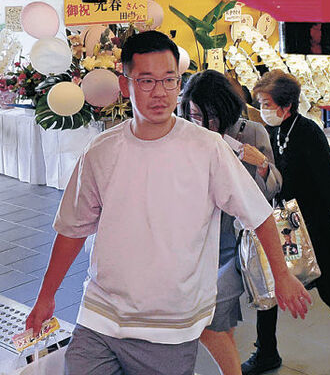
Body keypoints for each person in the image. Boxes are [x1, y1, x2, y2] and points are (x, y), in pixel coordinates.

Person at [26, 31, 311, 375]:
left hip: (170, 324)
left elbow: (258, 214)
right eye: (146, 81)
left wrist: (282, 276)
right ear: (125, 83)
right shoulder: (101, 151)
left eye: (169, 80)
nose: (160, 93)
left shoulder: (207, 148)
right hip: (101, 314)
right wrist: (46, 296)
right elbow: (72, 229)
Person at [244, 70, 330, 374]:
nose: (264, 110)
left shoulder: (308, 132)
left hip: (315, 226)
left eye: (267, 103)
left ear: (286, 106)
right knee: (270, 288)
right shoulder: (269, 132)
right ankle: (267, 352)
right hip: (282, 224)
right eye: (260, 103)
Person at [179, 71, 283, 375]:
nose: (201, 123)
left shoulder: (251, 133)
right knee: (219, 318)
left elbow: (272, 190)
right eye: (194, 114)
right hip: (198, 241)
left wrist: (261, 165)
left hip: (240, 243)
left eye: (209, 116)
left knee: (207, 317)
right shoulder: (185, 135)